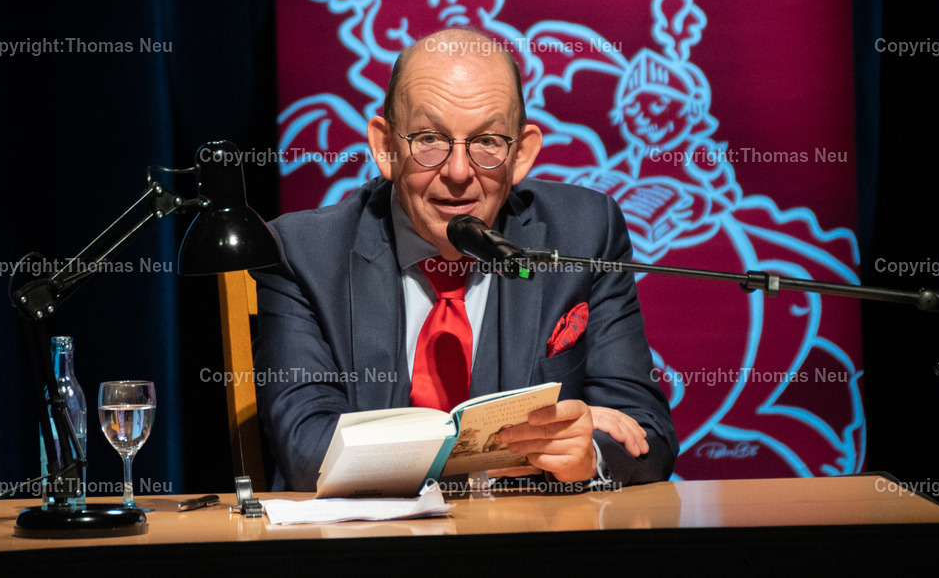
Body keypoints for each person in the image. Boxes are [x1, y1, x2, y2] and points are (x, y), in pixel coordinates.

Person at [252, 28, 677, 491]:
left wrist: (586, 452)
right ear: (385, 146)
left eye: (488, 142)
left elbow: (644, 436)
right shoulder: (302, 252)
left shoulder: (584, 233)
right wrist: (500, 448)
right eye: (429, 138)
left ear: (521, 155)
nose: (458, 172)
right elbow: (307, 449)